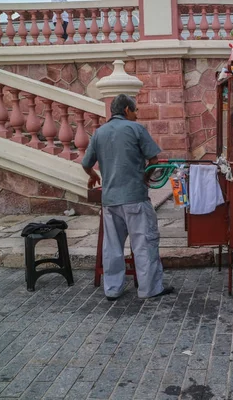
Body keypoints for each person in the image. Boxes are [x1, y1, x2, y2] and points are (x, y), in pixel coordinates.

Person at [82, 94, 174, 301]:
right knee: (144, 243)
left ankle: (112, 289)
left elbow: (86, 163)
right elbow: (153, 160)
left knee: (112, 246)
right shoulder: (136, 129)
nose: (136, 115)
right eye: (135, 111)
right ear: (126, 110)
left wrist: (93, 176)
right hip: (135, 198)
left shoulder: (99, 133)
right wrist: (145, 178)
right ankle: (149, 289)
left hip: (110, 200)